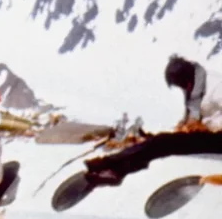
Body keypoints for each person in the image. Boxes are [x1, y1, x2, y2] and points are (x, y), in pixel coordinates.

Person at [85, 56, 222, 187]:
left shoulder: (216, 85)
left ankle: (108, 163)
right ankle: (117, 170)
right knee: (158, 142)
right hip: (209, 135)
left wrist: (207, 126)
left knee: (161, 142)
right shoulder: (195, 86)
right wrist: (185, 124)